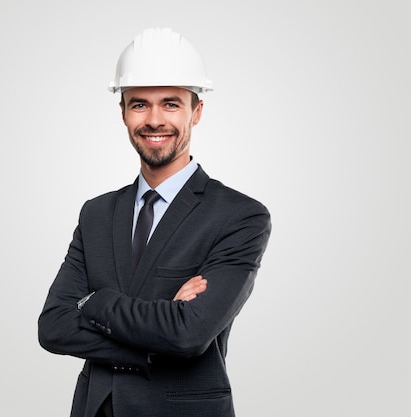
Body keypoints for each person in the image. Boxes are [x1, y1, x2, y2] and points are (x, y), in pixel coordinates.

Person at [38, 27, 271, 417]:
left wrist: (95, 302)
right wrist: (156, 332)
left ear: (197, 111)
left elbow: (188, 334)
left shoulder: (239, 216)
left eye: (171, 104)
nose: (155, 119)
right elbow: (54, 326)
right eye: (140, 104)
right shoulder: (96, 213)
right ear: (124, 112)